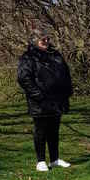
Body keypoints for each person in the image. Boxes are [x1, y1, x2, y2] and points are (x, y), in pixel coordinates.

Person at [17, 28, 73, 172]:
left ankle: (54, 159)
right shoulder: (28, 57)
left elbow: (65, 73)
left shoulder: (55, 54)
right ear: (35, 40)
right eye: (43, 39)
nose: (46, 41)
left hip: (57, 99)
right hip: (40, 101)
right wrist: (38, 95)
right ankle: (40, 161)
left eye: (48, 39)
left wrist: (67, 91)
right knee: (41, 130)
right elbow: (24, 79)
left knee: (54, 130)